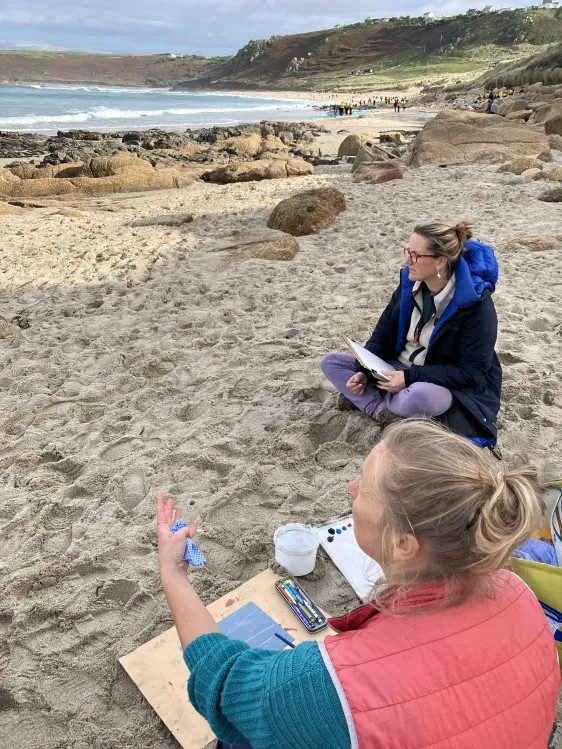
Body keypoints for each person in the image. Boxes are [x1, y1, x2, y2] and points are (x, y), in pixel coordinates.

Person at [157, 420, 560, 749]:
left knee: (239, 740)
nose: (351, 490)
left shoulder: (335, 688)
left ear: (404, 544)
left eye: (364, 489)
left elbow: (223, 681)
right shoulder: (519, 593)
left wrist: (173, 573)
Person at [320, 220, 502, 446]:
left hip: (440, 384)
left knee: (417, 396)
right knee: (332, 363)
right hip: (395, 369)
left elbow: (470, 373)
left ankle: (374, 401)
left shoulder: (475, 305)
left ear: (440, 261)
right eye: (407, 251)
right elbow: (381, 336)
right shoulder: (409, 286)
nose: (407, 260)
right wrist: (364, 372)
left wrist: (408, 377)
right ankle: (381, 411)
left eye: (415, 255)